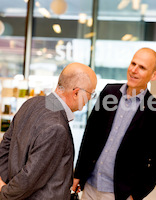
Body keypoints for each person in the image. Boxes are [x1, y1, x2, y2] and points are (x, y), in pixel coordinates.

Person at [72, 48, 156, 200]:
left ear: (154, 75)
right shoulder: (109, 92)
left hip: (119, 194)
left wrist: (135, 195)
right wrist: (78, 173)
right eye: (133, 63)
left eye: (142, 67)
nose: (134, 70)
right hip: (90, 186)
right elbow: (90, 135)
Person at [0, 62, 97, 199]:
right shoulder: (57, 127)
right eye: (91, 94)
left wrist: (3, 182)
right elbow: (29, 178)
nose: (89, 99)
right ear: (76, 93)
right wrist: (5, 193)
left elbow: (5, 145)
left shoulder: (32, 103)